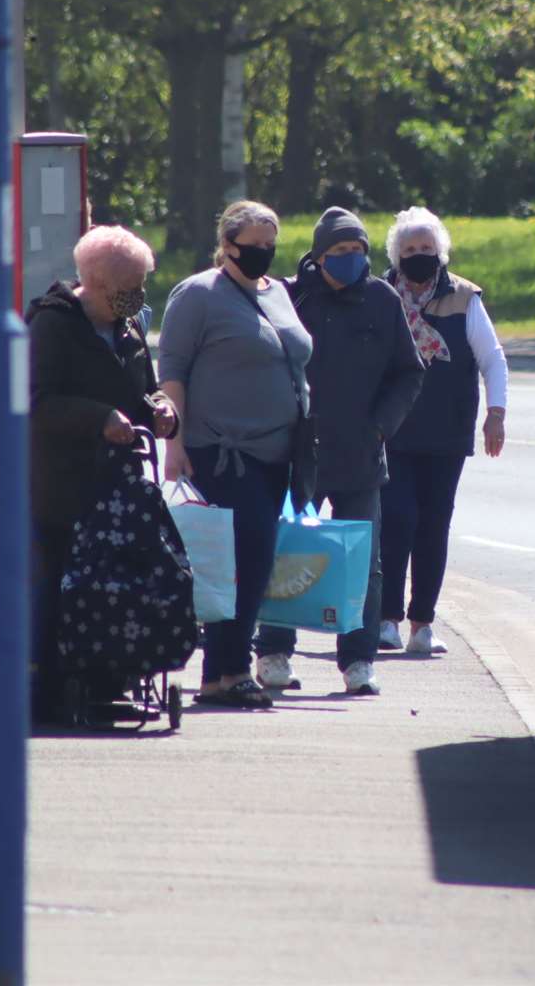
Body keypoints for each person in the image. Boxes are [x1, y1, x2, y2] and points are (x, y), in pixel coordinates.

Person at [255, 207, 424, 696]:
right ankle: (273, 653)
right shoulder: (288, 297)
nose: (351, 260)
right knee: (284, 553)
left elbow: (409, 372)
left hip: (360, 455)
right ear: (319, 255)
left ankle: (358, 660)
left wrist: (380, 428)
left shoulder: (382, 299)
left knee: (363, 563)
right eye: (340, 252)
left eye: (358, 251)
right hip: (295, 452)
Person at [159, 200, 312, 709]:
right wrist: (173, 443)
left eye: (271, 245)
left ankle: (219, 674)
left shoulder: (280, 294)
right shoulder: (198, 295)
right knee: (240, 560)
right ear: (227, 245)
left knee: (257, 560)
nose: (263, 255)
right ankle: (230, 669)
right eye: (253, 246)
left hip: (278, 452)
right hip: (223, 451)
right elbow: (173, 372)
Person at [27, 225, 179, 718]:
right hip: (65, 485)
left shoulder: (129, 326)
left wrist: (159, 409)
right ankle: (55, 689)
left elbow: (143, 387)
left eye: (141, 286)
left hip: (121, 487)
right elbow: (37, 402)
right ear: (92, 281)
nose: (137, 297)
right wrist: (99, 419)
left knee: (124, 582)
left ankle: (114, 676)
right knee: (63, 586)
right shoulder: (52, 326)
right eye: (127, 287)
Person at [376, 208, 508, 655]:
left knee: (433, 526)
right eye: (410, 250)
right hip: (390, 434)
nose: (418, 256)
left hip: (446, 434)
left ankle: (422, 624)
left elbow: (492, 359)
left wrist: (496, 413)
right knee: (397, 522)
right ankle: (386, 619)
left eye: (427, 249)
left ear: (441, 253)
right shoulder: (379, 296)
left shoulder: (465, 298)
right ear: (396, 255)